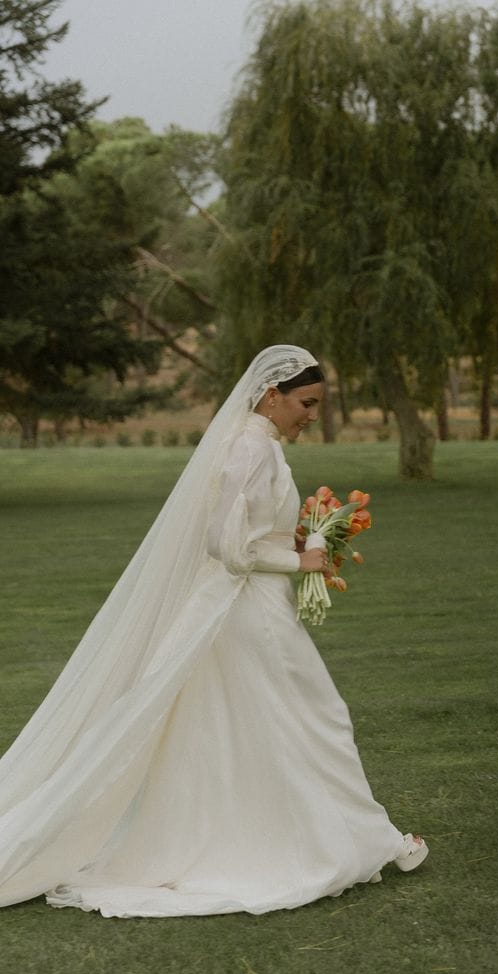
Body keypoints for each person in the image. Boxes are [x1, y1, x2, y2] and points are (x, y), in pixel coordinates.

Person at [0, 345, 427, 918]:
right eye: (305, 403)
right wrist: (297, 561)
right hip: (247, 609)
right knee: (314, 715)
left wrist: (300, 542)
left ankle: (328, 834)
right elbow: (225, 547)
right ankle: (344, 840)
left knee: (266, 723)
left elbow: (251, 531)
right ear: (271, 395)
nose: (311, 415)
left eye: (317, 405)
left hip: (253, 605)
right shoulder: (250, 447)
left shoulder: (259, 444)